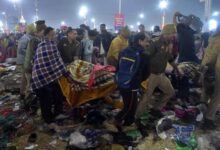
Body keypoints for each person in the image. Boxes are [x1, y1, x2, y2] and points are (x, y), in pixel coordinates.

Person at [104, 32, 151, 131]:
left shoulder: (124, 51)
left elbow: (118, 67)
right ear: (140, 41)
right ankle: (114, 121)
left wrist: (119, 79)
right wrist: (139, 81)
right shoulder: (144, 55)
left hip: (121, 82)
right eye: (146, 41)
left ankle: (128, 123)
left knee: (128, 104)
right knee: (130, 106)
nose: (148, 44)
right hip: (132, 84)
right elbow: (147, 72)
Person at [31, 27, 74, 127]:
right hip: (41, 79)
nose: (55, 36)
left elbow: (52, 62)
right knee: (45, 100)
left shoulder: (41, 44)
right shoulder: (49, 46)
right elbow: (58, 62)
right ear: (49, 35)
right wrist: (67, 74)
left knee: (58, 93)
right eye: (54, 34)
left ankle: (57, 113)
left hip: (45, 77)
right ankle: (48, 120)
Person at [136, 24, 179, 117]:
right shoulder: (155, 43)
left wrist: (177, 69)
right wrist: (142, 74)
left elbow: (170, 58)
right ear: (166, 33)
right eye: (172, 33)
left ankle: (156, 109)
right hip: (152, 75)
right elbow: (145, 57)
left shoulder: (168, 43)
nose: (174, 36)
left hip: (161, 74)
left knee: (170, 92)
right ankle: (135, 117)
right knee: (146, 97)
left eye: (174, 33)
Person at [201, 23, 220, 130]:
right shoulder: (218, 39)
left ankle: (201, 112)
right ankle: (209, 119)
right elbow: (213, 56)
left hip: (207, 68)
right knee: (216, 95)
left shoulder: (212, 37)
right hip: (216, 70)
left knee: (206, 90)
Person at [23, 20, 46, 100]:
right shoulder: (35, 40)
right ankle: (27, 103)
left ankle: (30, 101)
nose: (45, 35)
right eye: (44, 32)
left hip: (29, 66)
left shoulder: (35, 39)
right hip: (30, 67)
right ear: (41, 31)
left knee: (30, 85)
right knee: (29, 85)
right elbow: (34, 55)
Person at [17, 24, 36, 100]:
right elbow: (21, 50)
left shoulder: (29, 37)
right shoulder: (25, 38)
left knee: (25, 78)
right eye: (34, 29)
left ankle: (22, 94)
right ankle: (25, 96)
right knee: (27, 78)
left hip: (26, 60)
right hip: (24, 60)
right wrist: (30, 53)